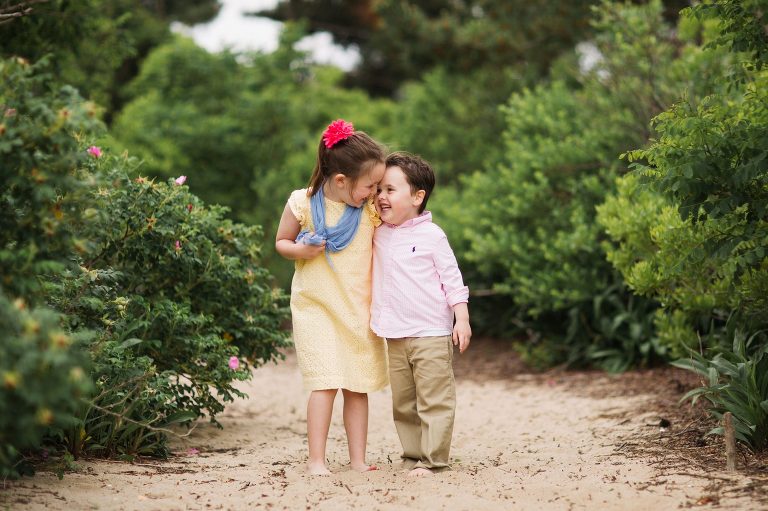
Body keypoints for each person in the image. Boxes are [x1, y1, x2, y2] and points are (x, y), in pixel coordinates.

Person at [275, 119, 388, 475]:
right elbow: (281, 242)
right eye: (371, 185)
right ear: (341, 180)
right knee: (324, 383)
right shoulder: (303, 203)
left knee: (358, 386)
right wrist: (300, 251)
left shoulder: (368, 211)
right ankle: (316, 460)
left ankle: (357, 460)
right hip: (316, 307)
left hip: (356, 310)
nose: (375, 192)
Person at [371, 151, 471, 477]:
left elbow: (452, 279)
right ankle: (412, 454)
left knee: (434, 400)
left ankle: (433, 459)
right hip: (395, 333)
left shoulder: (432, 235)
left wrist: (462, 318)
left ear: (417, 196)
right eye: (379, 190)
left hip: (431, 332)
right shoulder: (377, 232)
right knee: (403, 402)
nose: (381, 197)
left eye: (390, 190)